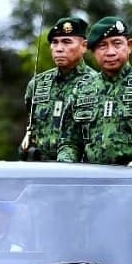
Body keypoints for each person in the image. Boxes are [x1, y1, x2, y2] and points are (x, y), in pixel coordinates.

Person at [56, 16, 132, 168]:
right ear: (93, 51)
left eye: (117, 44)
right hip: (91, 178)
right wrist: (66, 167)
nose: (111, 52)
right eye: (102, 46)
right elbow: (69, 142)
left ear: (129, 45)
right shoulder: (82, 89)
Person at [20, 16, 95, 160]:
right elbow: (32, 123)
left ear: (84, 46)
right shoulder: (37, 84)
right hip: (40, 166)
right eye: (55, 42)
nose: (59, 49)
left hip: (80, 167)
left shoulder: (97, 84)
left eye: (67, 42)